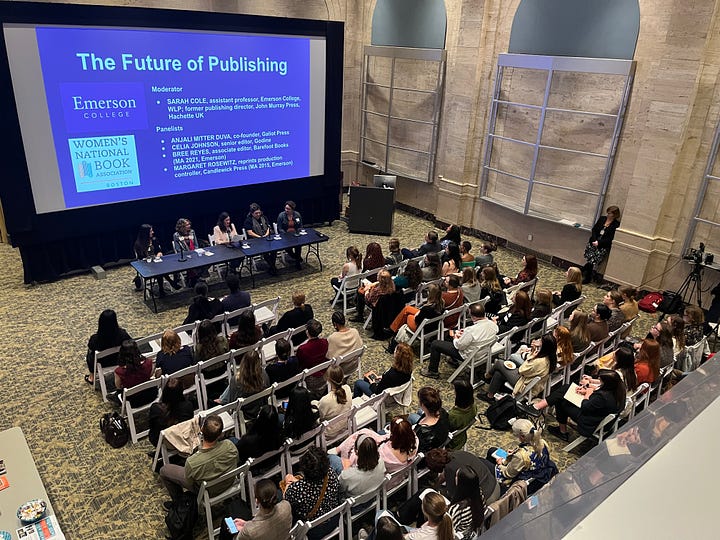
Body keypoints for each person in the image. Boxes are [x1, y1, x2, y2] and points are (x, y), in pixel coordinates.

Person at [160, 414, 238, 503]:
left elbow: (189, 482)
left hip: (207, 491)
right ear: (220, 434)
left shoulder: (192, 462)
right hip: (228, 483)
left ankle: (179, 503)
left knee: (164, 470)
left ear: (201, 429)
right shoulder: (230, 445)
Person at [537, 369, 626, 442]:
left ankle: (561, 431)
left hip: (588, 421)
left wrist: (587, 393)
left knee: (561, 399)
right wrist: (587, 391)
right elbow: (597, 400)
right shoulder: (619, 391)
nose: (599, 382)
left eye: (600, 381)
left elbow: (585, 406)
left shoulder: (603, 397)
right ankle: (538, 407)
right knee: (566, 389)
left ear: (606, 383)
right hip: (596, 415)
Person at [424, 302, 498, 379]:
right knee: (450, 337)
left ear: (473, 316)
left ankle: (432, 371)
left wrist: (455, 337)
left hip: (467, 355)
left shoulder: (471, 331)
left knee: (436, 344)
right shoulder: (493, 325)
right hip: (482, 353)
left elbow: (459, 346)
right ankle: (453, 360)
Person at [283, 445, 340, 539]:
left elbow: (286, 500)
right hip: (333, 520)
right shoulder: (332, 474)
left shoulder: (297, 490)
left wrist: (288, 483)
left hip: (312, 531)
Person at [481, 334, 556, 403]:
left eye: (540, 340)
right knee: (499, 372)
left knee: (499, 363)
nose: (538, 340)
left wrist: (532, 356)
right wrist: (533, 352)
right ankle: (490, 396)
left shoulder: (540, 361)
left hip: (524, 383)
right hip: (528, 379)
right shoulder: (549, 357)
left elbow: (522, 370)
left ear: (544, 345)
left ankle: (487, 377)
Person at [332, 417, 419, 474]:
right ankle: (340, 448)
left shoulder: (385, 454)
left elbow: (371, 456)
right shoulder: (415, 441)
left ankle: (341, 451)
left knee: (358, 442)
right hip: (398, 472)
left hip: (379, 472)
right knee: (365, 432)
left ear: (394, 434)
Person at [489, 418, 553, 487]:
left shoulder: (520, 456)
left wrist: (499, 464)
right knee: (492, 451)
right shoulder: (542, 443)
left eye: (516, 435)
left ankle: (491, 485)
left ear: (522, 436)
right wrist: (514, 452)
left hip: (520, 481)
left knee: (489, 457)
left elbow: (508, 474)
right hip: (537, 473)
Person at [388, 283, 444, 347]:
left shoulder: (426, 309)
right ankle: (394, 328)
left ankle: (393, 331)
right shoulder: (441, 304)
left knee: (407, 315)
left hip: (421, 328)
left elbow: (417, 320)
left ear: (430, 294)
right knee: (407, 309)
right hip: (431, 325)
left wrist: (416, 315)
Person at [84, 309, 132, 385]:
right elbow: (131, 343)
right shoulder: (123, 334)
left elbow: (91, 349)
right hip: (120, 360)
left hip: (102, 363)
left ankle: (92, 377)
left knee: (89, 354)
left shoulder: (95, 339)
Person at [133, 223, 180, 293]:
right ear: (145, 233)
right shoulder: (138, 244)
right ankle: (169, 284)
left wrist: (159, 253)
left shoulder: (154, 240)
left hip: (157, 262)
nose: (153, 232)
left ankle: (166, 286)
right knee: (159, 271)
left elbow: (159, 250)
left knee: (166, 267)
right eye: (151, 231)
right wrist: (149, 259)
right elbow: (140, 258)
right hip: (147, 265)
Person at [148, 377, 194, 446]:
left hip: (164, 443)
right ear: (181, 391)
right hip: (183, 439)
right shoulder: (188, 406)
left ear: (165, 391)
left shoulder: (156, 408)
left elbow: (152, 426)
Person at [582, 205, 621, 284]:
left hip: (602, 246)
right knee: (590, 260)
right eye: (608, 213)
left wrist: (599, 243)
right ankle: (585, 275)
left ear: (614, 215)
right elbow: (594, 229)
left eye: (610, 213)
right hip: (593, 242)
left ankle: (582, 272)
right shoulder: (602, 219)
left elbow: (611, 238)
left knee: (592, 261)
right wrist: (594, 240)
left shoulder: (616, 225)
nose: (608, 215)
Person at [313, 366, 351, 440]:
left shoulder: (326, 400)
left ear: (328, 379)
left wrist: (313, 404)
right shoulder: (347, 389)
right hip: (343, 425)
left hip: (329, 432)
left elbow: (319, 417)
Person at [113, 339, 154, 405]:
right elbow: (150, 374)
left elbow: (118, 387)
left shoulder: (119, 371)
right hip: (150, 395)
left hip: (132, 401)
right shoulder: (149, 362)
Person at [296, 319, 330, 398]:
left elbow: (299, 364)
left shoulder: (302, 349)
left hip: (309, 379)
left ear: (307, 332)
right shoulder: (325, 342)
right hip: (323, 375)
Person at [411, 386, 450, 453]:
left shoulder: (421, 432)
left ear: (422, 405)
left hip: (423, 452)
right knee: (416, 414)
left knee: (411, 416)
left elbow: (414, 448)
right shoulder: (443, 412)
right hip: (438, 439)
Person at [243, 203, 278, 275]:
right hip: (255, 241)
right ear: (252, 213)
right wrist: (260, 237)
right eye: (256, 213)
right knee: (265, 251)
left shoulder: (264, 217)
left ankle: (272, 267)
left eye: (259, 212)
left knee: (274, 249)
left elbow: (268, 227)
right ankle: (273, 267)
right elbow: (250, 233)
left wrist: (266, 235)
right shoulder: (248, 220)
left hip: (266, 237)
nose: (258, 214)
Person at [173, 217, 205, 288]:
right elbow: (178, 249)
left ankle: (194, 277)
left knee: (206, 261)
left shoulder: (192, 232)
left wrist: (195, 252)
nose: (189, 226)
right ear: (182, 227)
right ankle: (195, 278)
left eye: (189, 224)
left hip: (194, 253)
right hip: (185, 255)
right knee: (191, 262)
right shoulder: (176, 235)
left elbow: (196, 245)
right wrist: (188, 255)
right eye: (187, 225)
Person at [447, 379, 477, 450]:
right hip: (461, 437)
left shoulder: (453, 416)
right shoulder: (473, 406)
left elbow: (444, 429)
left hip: (451, 443)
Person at [276, 200, 303, 269]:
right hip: (285, 235)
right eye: (285, 208)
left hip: (295, 234)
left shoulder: (297, 215)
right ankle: (296, 257)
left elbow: (300, 226)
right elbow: (279, 228)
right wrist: (286, 235)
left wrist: (298, 232)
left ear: (292, 210)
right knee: (288, 248)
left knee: (298, 246)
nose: (286, 210)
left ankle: (297, 263)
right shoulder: (281, 216)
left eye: (288, 209)